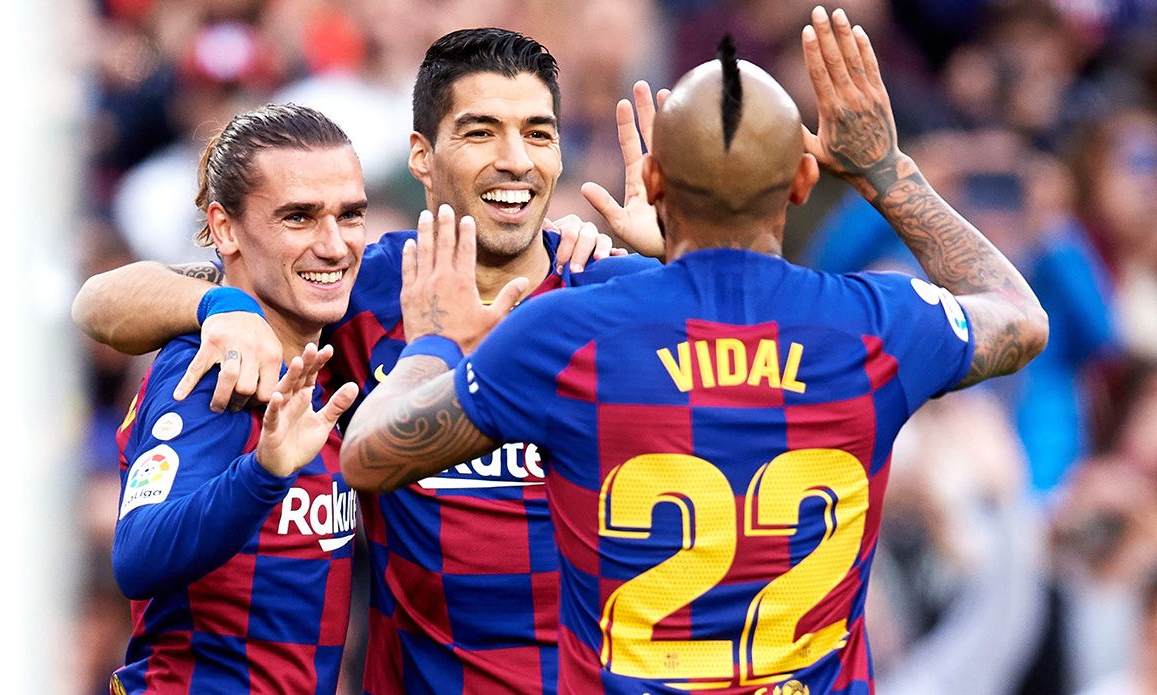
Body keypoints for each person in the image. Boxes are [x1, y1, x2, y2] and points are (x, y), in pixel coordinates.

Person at [339, 7, 1048, 694]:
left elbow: (369, 455)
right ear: (804, 181)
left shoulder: (567, 332)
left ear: (651, 181)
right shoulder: (878, 326)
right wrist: (886, 171)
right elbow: (1018, 314)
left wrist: (431, 338)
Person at [73, 28, 658, 694]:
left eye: (538, 132)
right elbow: (101, 300)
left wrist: (687, 256)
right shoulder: (355, 291)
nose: (514, 160)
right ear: (422, 156)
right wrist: (216, 308)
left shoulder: (617, 297)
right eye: (480, 132)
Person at [105, 103, 363, 693]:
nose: (334, 244)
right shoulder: (209, 373)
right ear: (225, 228)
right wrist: (265, 473)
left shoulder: (321, 345)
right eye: (299, 217)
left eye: (350, 215)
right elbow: (137, 555)